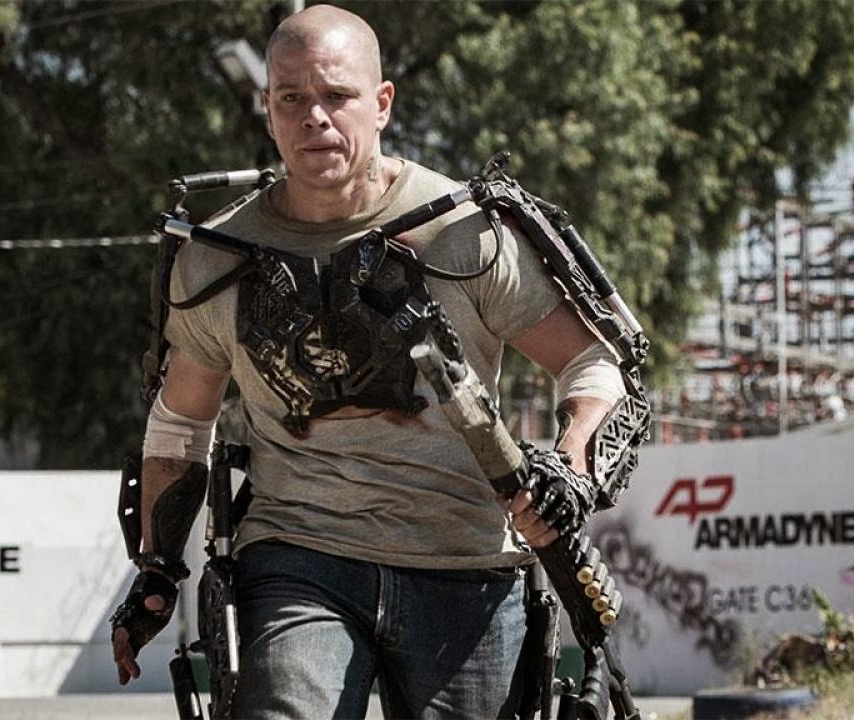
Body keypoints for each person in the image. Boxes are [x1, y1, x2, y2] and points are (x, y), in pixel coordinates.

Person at [112, 5, 627, 718]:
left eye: (337, 95)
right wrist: (158, 570)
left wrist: (569, 468)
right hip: (297, 556)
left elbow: (595, 362)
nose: (314, 118)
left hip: (464, 562)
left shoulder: (463, 233)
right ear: (267, 110)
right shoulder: (217, 257)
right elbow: (179, 425)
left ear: (382, 103)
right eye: (291, 98)